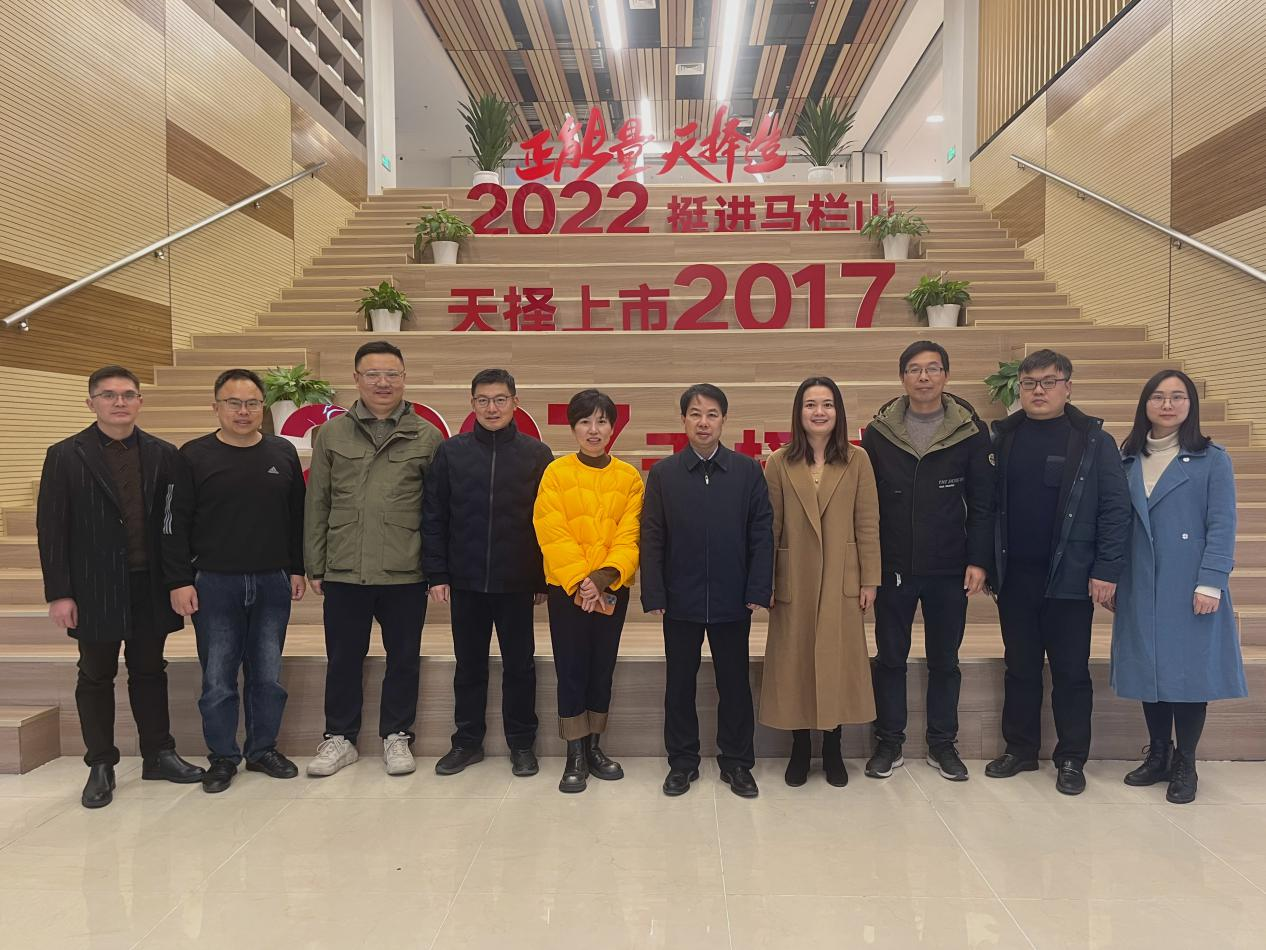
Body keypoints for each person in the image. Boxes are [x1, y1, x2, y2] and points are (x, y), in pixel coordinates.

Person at [36, 365, 204, 808]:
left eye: (128, 394)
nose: (119, 402)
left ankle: (159, 754)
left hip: (149, 584)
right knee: (96, 674)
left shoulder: (164, 454)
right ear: (91, 403)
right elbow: (51, 528)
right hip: (93, 587)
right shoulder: (65, 455)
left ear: (140, 402)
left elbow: (173, 524)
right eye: (109, 395)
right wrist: (59, 592)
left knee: (150, 670)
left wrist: (178, 579)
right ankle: (101, 764)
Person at [986, 348, 1130, 795]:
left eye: (1049, 382)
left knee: (1071, 671)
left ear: (1068, 387)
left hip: (1071, 576)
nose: (1039, 391)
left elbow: (1115, 509)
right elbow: (988, 507)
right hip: (1016, 578)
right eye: (1030, 383)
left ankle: (1071, 758)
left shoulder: (1093, 441)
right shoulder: (1003, 437)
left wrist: (1106, 569)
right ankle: (1021, 749)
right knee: (1020, 667)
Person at [162, 368, 307, 794]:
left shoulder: (282, 452)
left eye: (252, 403)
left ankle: (262, 750)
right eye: (234, 403)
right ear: (216, 407)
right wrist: (179, 580)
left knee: (268, 675)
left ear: (263, 407)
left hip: (272, 582)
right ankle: (223, 757)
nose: (243, 411)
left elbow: (296, 518)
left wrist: (296, 568)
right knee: (218, 678)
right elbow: (172, 524)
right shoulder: (192, 455)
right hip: (213, 583)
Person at [305, 340, 443, 778]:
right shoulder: (331, 434)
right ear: (356, 379)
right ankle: (339, 738)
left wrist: (435, 567)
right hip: (345, 567)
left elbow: (436, 510)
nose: (383, 383)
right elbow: (318, 501)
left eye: (391, 374)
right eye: (373, 374)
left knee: (403, 659)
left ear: (404, 378)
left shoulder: (427, 436)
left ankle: (397, 735)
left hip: (405, 569)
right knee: (343, 658)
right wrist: (315, 563)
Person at [861, 342, 994, 782]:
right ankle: (889, 741)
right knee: (890, 658)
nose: (924, 377)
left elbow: (983, 501)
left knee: (945, 660)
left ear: (946, 376)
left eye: (933, 369)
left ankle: (942, 744)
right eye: (915, 370)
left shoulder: (970, 431)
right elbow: (867, 505)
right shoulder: (878, 432)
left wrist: (978, 559)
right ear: (902, 377)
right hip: (893, 564)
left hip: (950, 565)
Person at [1111, 370, 1245, 804]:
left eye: (1177, 397)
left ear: (1191, 405)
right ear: (1145, 404)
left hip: (1189, 581)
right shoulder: (1127, 458)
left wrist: (1212, 581)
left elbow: (1222, 524)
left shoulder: (1211, 458)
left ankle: (1186, 761)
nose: (1167, 405)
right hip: (1139, 577)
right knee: (1149, 667)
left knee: (1188, 673)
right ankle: (1159, 754)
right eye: (1158, 396)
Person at [640, 384, 774, 798]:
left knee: (734, 685)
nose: (703, 422)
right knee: (679, 684)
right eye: (695, 414)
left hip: (733, 598)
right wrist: (655, 592)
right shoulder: (664, 474)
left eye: (712, 414)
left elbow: (762, 533)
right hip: (680, 599)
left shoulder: (747, 471)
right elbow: (652, 536)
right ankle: (682, 763)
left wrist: (758, 589)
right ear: (683, 420)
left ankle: (737, 763)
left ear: (724, 420)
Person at [423, 368, 553, 778]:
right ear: (472, 404)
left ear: (515, 402)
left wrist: (541, 579)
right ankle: (466, 742)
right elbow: (434, 516)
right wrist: (437, 573)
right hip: (465, 581)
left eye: (500, 399)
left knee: (520, 666)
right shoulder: (451, 453)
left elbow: (548, 523)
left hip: (517, 582)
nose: (491, 408)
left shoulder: (537, 454)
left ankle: (522, 744)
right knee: (469, 666)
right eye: (483, 400)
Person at [760, 376, 881, 788]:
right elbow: (770, 527)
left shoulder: (857, 460)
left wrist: (870, 579)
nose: (819, 412)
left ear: (838, 412)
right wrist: (766, 581)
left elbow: (868, 523)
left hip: (841, 577)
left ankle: (832, 747)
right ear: (799, 412)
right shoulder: (779, 462)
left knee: (836, 661)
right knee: (794, 661)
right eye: (810, 404)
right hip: (793, 575)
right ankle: (799, 748)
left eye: (827, 404)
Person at [533, 389, 643, 793]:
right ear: (573, 428)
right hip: (568, 590)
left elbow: (630, 534)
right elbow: (551, 529)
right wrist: (582, 579)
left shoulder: (629, 477)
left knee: (602, 667)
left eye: (601, 421)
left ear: (613, 428)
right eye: (585, 422)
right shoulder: (556, 473)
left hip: (611, 588)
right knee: (571, 667)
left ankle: (595, 747)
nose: (593, 430)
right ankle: (574, 753)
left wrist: (602, 578)